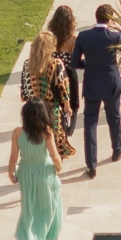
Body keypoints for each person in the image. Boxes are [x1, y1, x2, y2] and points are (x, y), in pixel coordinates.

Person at [72, 3, 121, 179]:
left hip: (92, 85)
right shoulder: (114, 36)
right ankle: (117, 150)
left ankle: (91, 165)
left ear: (96, 17)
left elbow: (74, 62)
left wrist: (88, 65)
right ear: (110, 20)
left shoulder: (83, 36)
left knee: (90, 124)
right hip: (111, 84)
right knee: (114, 118)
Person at [8, 100, 64, 240]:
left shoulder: (17, 132)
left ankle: (28, 238)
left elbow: (13, 158)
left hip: (26, 172)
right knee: (49, 208)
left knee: (29, 207)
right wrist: (58, 168)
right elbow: (55, 156)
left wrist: (11, 173)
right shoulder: (46, 132)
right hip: (44, 172)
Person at [20, 31, 75, 161]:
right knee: (55, 140)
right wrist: (67, 106)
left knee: (36, 138)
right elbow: (63, 86)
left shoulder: (27, 64)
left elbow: (24, 91)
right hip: (50, 108)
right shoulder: (55, 64)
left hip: (32, 109)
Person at [46, 4, 81, 130]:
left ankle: (57, 126)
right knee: (73, 103)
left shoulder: (49, 38)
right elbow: (77, 59)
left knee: (55, 100)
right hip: (69, 73)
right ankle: (69, 129)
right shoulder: (73, 39)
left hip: (53, 72)